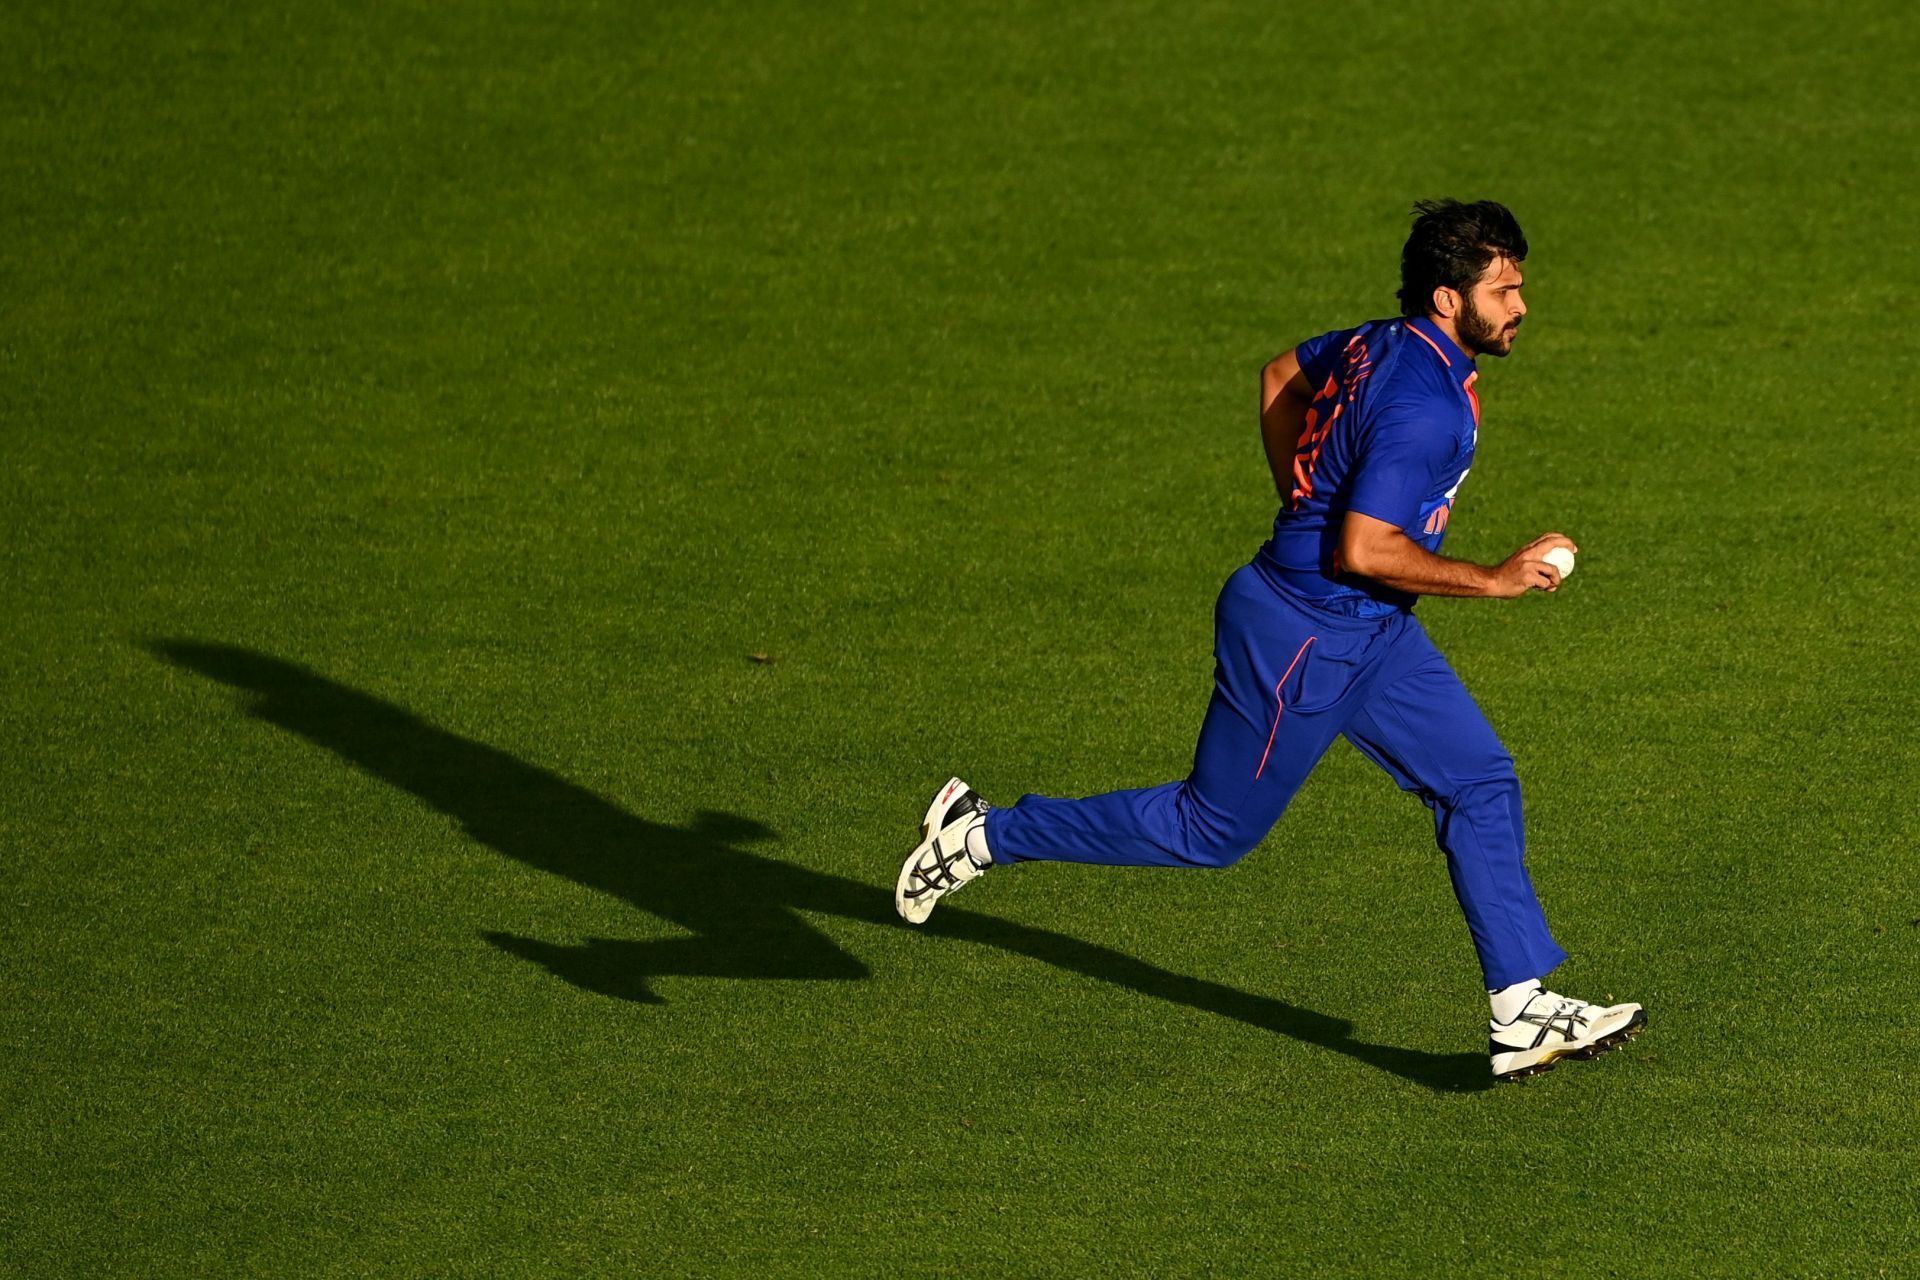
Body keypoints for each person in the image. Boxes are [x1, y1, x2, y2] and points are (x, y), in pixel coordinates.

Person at [894, 199, 1646, 1081]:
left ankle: (1520, 1010)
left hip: (1368, 628)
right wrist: (1494, 577)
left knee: (1479, 779)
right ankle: (983, 834)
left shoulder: (1384, 340)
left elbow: (1278, 373)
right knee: (1208, 829)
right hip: (1305, 634)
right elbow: (1365, 547)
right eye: (1505, 290)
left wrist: (1305, 502)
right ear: (1450, 299)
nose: (1521, 306)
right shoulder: (1423, 405)